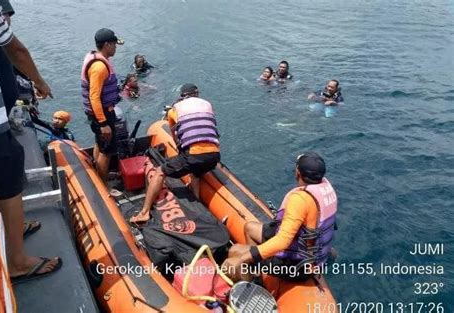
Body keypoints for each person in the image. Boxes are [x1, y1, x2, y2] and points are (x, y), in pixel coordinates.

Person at [0, 0, 61, 283]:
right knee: (9, 178)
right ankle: (16, 261)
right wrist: (39, 81)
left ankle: (7, 229)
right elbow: (15, 48)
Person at [222, 153, 337, 282]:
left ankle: (253, 280)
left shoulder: (300, 200)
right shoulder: (325, 190)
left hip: (299, 264)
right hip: (307, 247)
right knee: (250, 228)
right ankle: (257, 270)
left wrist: (242, 258)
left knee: (235, 251)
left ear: (298, 172)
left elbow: (283, 241)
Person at [130, 86, 220, 223]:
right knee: (195, 175)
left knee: (160, 171)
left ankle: (144, 212)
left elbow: (176, 138)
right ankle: (198, 207)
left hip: (194, 155)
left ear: (182, 95)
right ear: (197, 94)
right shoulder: (207, 104)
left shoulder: (175, 109)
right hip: (214, 156)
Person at [81, 28, 123, 182]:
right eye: (114, 44)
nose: (115, 47)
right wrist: (103, 122)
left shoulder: (95, 57)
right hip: (102, 114)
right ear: (106, 45)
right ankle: (104, 186)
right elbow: (94, 96)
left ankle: (99, 174)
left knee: (100, 144)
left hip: (100, 113)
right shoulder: (99, 67)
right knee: (107, 150)